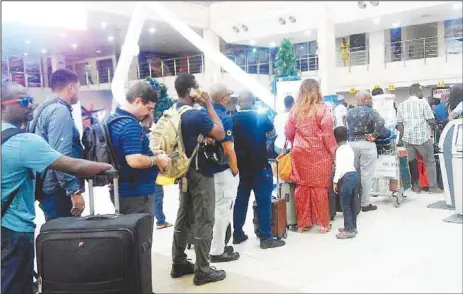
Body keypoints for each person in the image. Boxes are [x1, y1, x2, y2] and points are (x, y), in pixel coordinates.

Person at [1, 82, 113, 294]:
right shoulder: (24, 141)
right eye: (23, 101)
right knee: (16, 282)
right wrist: (106, 166)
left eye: (30, 99)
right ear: (3, 107)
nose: (30, 105)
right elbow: (72, 165)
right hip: (15, 228)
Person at [170, 73, 227, 286]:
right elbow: (220, 132)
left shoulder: (173, 112)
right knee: (205, 218)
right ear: (190, 91)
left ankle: (179, 262)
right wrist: (210, 105)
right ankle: (203, 269)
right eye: (197, 87)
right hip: (200, 172)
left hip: (182, 171)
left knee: (184, 215)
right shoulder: (196, 115)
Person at [107, 81, 170, 216]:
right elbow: (134, 160)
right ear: (138, 101)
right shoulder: (130, 125)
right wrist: (157, 160)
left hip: (122, 189)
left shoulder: (113, 119)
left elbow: (124, 152)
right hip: (136, 194)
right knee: (141, 236)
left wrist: (151, 153)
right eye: (149, 108)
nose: (149, 112)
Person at [232, 90, 286, 249]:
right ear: (253, 102)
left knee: (241, 201)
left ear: (238, 103)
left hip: (242, 168)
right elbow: (272, 133)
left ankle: (238, 234)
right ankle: (265, 238)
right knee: (264, 201)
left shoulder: (232, 119)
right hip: (260, 166)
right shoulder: (261, 117)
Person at [30, 69, 86, 221]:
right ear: (71, 88)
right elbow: (60, 155)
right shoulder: (59, 111)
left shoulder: (42, 109)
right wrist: (73, 191)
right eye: (79, 87)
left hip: (48, 187)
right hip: (58, 190)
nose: (79, 92)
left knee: (57, 236)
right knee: (65, 238)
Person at [285, 79, 338, 233]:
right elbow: (328, 135)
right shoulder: (323, 110)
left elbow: (288, 133)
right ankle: (323, 224)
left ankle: (303, 224)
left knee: (302, 187)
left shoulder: (295, 110)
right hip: (319, 155)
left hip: (299, 153)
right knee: (319, 188)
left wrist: (296, 142)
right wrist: (334, 152)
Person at [206, 83, 240, 263]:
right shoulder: (224, 118)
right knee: (223, 210)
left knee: (215, 209)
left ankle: (217, 245)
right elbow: (229, 149)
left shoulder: (204, 114)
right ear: (224, 99)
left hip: (208, 170)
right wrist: (235, 171)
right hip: (223, 170)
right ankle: (217, 251)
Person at [396, 84, 442, 193]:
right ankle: (433, 187)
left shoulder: (402, 105)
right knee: (430, 161)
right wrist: (435, 127)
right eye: (422, 91)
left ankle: (415, 187)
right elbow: (430, 120)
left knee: (412, 162)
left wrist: (405, 135)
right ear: (418, 91)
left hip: (408, 139)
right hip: (422, 138)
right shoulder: (423, 103)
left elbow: (399, 124)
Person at [347, 90, 385, 211]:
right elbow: (380, 122)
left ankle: (354, 201)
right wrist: (374, 135)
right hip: (366, 144)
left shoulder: (350, 112)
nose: (372, 101)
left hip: (352, 144)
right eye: (370, 99)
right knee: (366, 175)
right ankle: (365, 203)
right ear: (363, 100)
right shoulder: (371, 112)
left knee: (354, 174)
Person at [332, 126, 358, 239]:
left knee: (345, 204)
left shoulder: (339, 150)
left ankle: (349, 230)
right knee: (352, 203)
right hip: (354, 175)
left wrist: (334, 181)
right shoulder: (349, 148)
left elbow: (339, 168)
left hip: (346, 178)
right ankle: (353, 226)